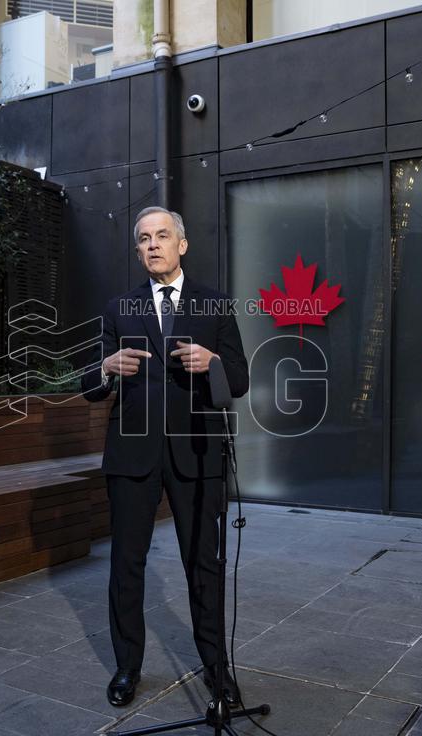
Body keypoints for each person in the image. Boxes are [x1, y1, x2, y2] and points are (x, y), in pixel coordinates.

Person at [81, 206, 250, 708]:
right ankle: (127, 668)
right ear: (137, 250)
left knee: (204, 565)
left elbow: (239, 380)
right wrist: (107, 366)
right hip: (132, 455)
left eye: (162, 235)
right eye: (143, 238)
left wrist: (213, 362)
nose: (152, 244)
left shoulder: (214, 305)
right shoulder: (117, 309)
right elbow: (89, 387)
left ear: (182, 244)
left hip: (198, 454)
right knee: (126, 566)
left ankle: (217, 670)